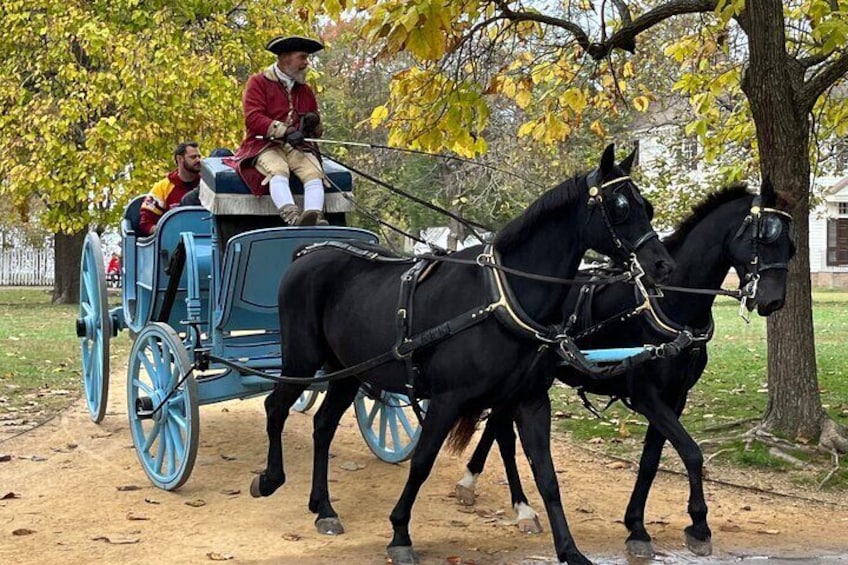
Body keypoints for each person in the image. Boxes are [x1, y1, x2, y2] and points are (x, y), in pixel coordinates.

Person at [227, 35, 327, 226]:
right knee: (278, 169)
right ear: (285, 58)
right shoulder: (258, 82)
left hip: (297, 146)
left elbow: (315, 128)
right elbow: (253, 118)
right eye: (303, 57)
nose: (306, 63)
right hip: (264, 145)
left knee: (314, 171)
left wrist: (313, 124)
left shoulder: (305, 89)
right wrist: (284, 131)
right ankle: (293, 218)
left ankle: (314, 217)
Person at [139, 141, 202, 236]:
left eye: (199, 156)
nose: (198, 160)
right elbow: (145, 223)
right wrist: (168, 232)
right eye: (193, 157)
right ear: (180, 159)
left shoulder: (207, 183)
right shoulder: (162, 188)